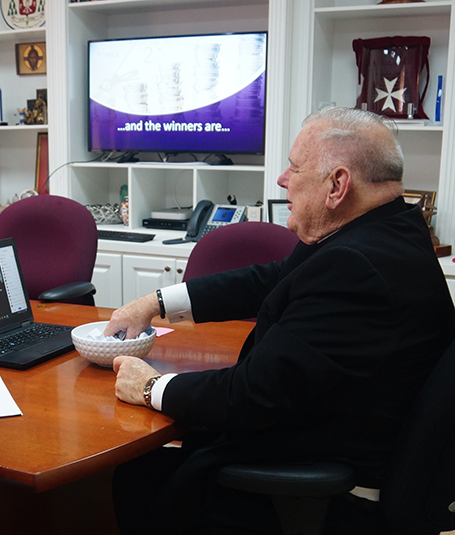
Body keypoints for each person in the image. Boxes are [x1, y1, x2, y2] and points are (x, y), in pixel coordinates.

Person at [105, 107, 455, 535]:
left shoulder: (356, 266)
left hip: (321, 487)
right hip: (339, 436)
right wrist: (157, 301)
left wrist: (149, 385)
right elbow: (273, 279)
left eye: (294, 167)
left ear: (337, 185)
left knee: (135, 474)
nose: (282, 179)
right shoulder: (387, 228)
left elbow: (251, 396)